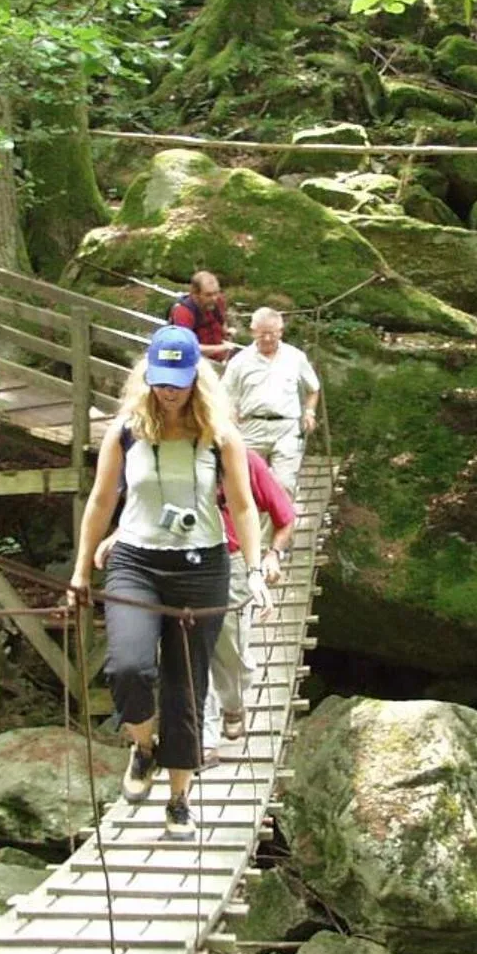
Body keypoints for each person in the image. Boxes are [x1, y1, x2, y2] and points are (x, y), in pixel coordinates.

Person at [68, 325, 271, 840]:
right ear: (148, 377)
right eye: (160, 380)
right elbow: (100, 500)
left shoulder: (220, 435)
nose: (169, 390)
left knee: (186, 686)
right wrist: (80, 568)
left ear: (195, 379)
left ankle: (179, 799)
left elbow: (244, 507)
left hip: (202, 567)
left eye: (177, 381)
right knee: (129, 667)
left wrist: (255, 571)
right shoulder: (126, 430)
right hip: (136, 560)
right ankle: (142, 747)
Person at [203, 448, 295, 761]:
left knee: (230, 649)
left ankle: (234, 702)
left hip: (234, 561)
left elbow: (285, 516)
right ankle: (205, 737)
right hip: (187, 564)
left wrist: (272, 555)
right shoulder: (176, 453)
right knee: (188, 647)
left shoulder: (245, 460)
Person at [222, 306, 321, 494]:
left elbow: (313, 389)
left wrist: (309, 412)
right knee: (246, 487)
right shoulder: (239, 361)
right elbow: (225, 393)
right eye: (262, 334)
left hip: (286, 428)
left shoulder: (295, 357)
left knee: (284, 486)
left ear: (281, 332)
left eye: (272, 334)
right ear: (253, 332)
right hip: (251, 427)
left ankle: (281, 523)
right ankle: (252, 524)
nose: (267, 339)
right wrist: (230, 414)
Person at [169, 270, 236, 363]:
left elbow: (221, 321)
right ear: (195, 294)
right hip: (193, 362)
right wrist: (220, 348)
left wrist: (226, 332)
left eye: (216, 293)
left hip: (220, 358)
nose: (214, 298)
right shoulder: (183, 312)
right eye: (208, 295)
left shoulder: (218, 301)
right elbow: (186, 348)